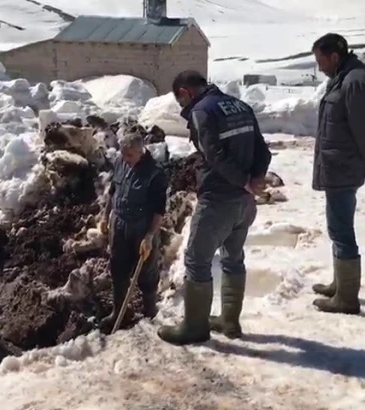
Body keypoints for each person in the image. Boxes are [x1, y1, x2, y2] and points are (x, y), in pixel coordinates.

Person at [157, 71, 272, 346]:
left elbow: (214, 156)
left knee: (197, 260)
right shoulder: (240, 106)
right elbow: (263, 151)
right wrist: (254, 180)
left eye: (180, 99)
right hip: (245, 204)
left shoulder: (201, 111)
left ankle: (195, 328)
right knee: (233, 257)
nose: (182, 106)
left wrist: (244, 181)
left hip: (218, 200)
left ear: (185, 92)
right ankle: (230, 321)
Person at [310, 33, 365, 314]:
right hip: (338, 166)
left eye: (320, 60)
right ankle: (340, 284)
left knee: (341, 230)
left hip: (344, 168)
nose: (319, 66)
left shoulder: (355, 80)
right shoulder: (344, 77)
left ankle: (346, 299)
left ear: (334, 57)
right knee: (338, 228)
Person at [98, 132, 168, 333]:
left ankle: (149, 310)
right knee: (117, 267)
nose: (125, 159)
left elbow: (159, 210)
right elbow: (113, 191)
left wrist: (149, 236)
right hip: (119, 224)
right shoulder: (121, 162)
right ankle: (119, 310)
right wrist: (105, 216)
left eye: (130, 155)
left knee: (146, 270)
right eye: (123, 154)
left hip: (142, 227)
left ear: (141, 151)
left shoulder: (154, 174)